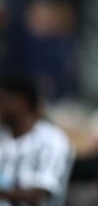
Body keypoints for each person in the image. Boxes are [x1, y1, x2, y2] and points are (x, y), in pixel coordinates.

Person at [0, 73, 74, 206]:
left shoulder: (52, 141)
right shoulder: (3, 135)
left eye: (2, 98)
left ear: (21, 102)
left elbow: (38, 196)